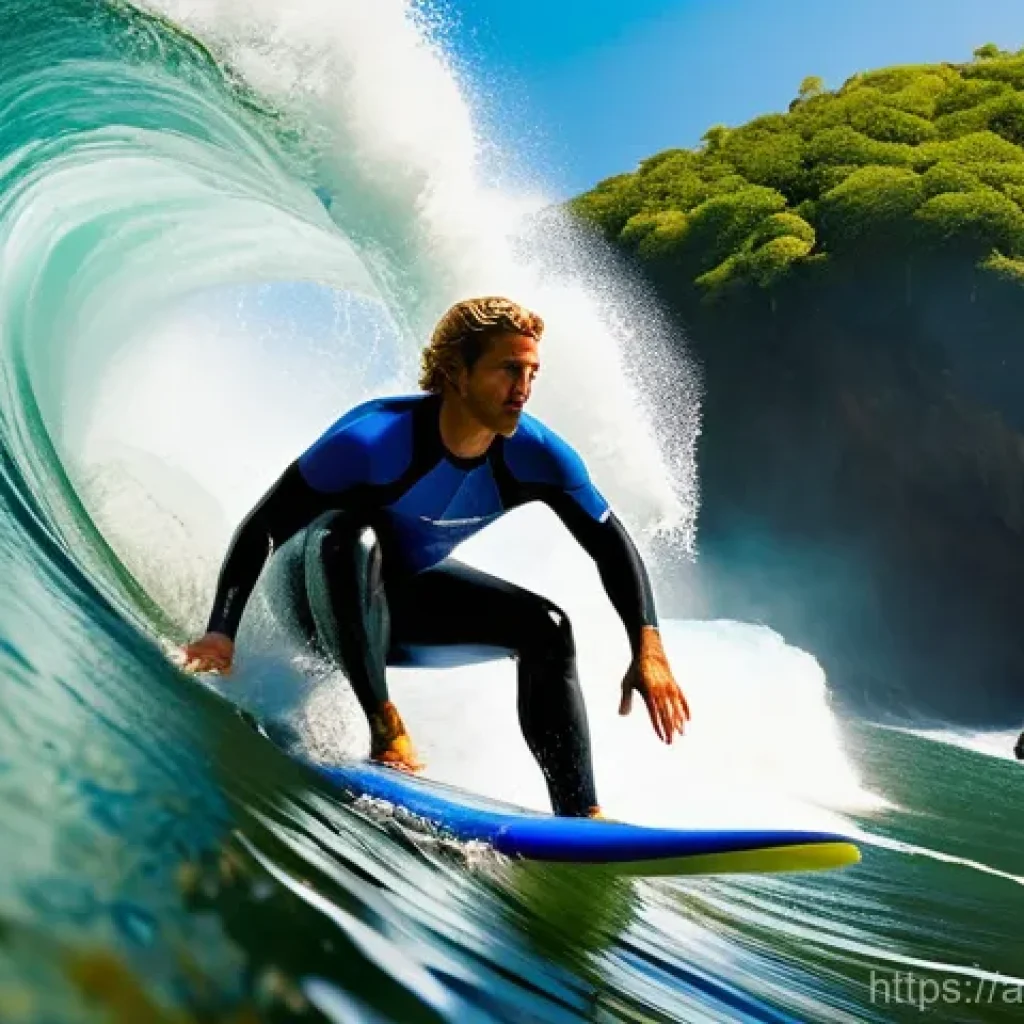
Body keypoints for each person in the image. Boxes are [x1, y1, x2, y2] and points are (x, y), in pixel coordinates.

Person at [183, 296, 690, 817]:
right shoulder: (372, 441)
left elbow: (611, 546)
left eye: (532, 372)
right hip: (310, 598)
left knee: (547, 628)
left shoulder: (538, 455)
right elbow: (265, 526)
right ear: (455, 371)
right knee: (351, 536)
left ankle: (581, 815)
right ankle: (385, 725)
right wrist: (222, 631)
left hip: (392, 612)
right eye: (509, 370)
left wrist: (648, 648)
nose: (523, 389)